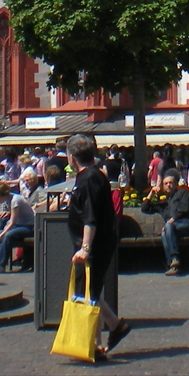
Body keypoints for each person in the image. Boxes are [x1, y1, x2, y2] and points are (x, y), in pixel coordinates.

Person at [65, 134, 130, 358]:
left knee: (89, 293)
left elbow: (90, 218)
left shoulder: (90, 178)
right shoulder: (90, 176)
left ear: (72, 157)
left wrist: (85, 248)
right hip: (94, 244)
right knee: (91, 291)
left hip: (94, 245)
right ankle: (115, 326)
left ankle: (95, 344)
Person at [0, 175, 37, 274]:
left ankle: (0, 265)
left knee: (7, 235)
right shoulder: (8, 200)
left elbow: (12, 222)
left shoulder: (15, 200)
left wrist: (0, 237)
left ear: (4, 195)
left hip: (29, 226)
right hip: (19, 225)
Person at [158, 170, 189, 276]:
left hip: (185, 224)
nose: (168, 185)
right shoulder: (164, 202)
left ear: (175, 184)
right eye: (166, 184)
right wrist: (152, 193)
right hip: (172, 229)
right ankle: (173, 264)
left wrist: (173, 219)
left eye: (170, 183)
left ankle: (174, 258)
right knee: (164, 232)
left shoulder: (183, 193)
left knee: (168, 226)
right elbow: (145, 208)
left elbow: (184, 208)